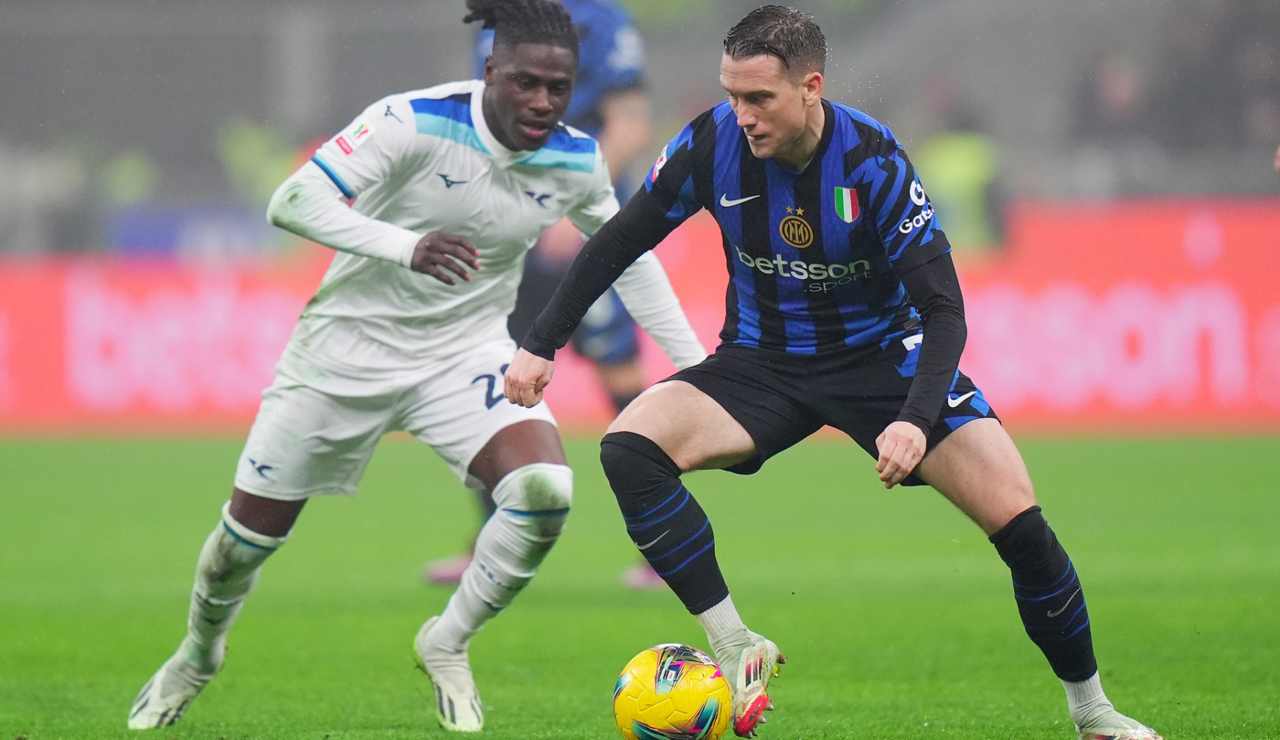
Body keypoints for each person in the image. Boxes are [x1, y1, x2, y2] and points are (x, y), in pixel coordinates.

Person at [505, 6, 1161, 739]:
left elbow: (944, 309)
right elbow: (618, 239)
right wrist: (542, 342)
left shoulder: (872, 160)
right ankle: (735, 644)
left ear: (810, 87)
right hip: (762, 362)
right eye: (732, 95)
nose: (742, 116)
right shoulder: (710, 143)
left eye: (760, 98)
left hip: (882, 360)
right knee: (629, 449)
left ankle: (1094, 712)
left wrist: (913, 420)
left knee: (1020, 523)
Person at [126, 0, 704, 732]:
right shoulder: (412, 121)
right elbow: (292, 200)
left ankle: (447, 641)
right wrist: (406, 246)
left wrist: (696, 368)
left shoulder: (575, 160)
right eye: (525, 82)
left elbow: (630, 259)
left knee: (544, 490)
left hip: (464, 351)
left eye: (557, 88)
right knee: (240, 548)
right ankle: (198, 653)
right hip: (343, 354)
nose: (541, 101)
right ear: (490, 69)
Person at [424, 0, 665, 590]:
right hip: (505, 231)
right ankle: (491, 542)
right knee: (489, 370)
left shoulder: (600, 18)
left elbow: (630, 124)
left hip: (580, 228)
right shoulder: (498, 16)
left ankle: (666, 546)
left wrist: (570, 203)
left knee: (620, 376)